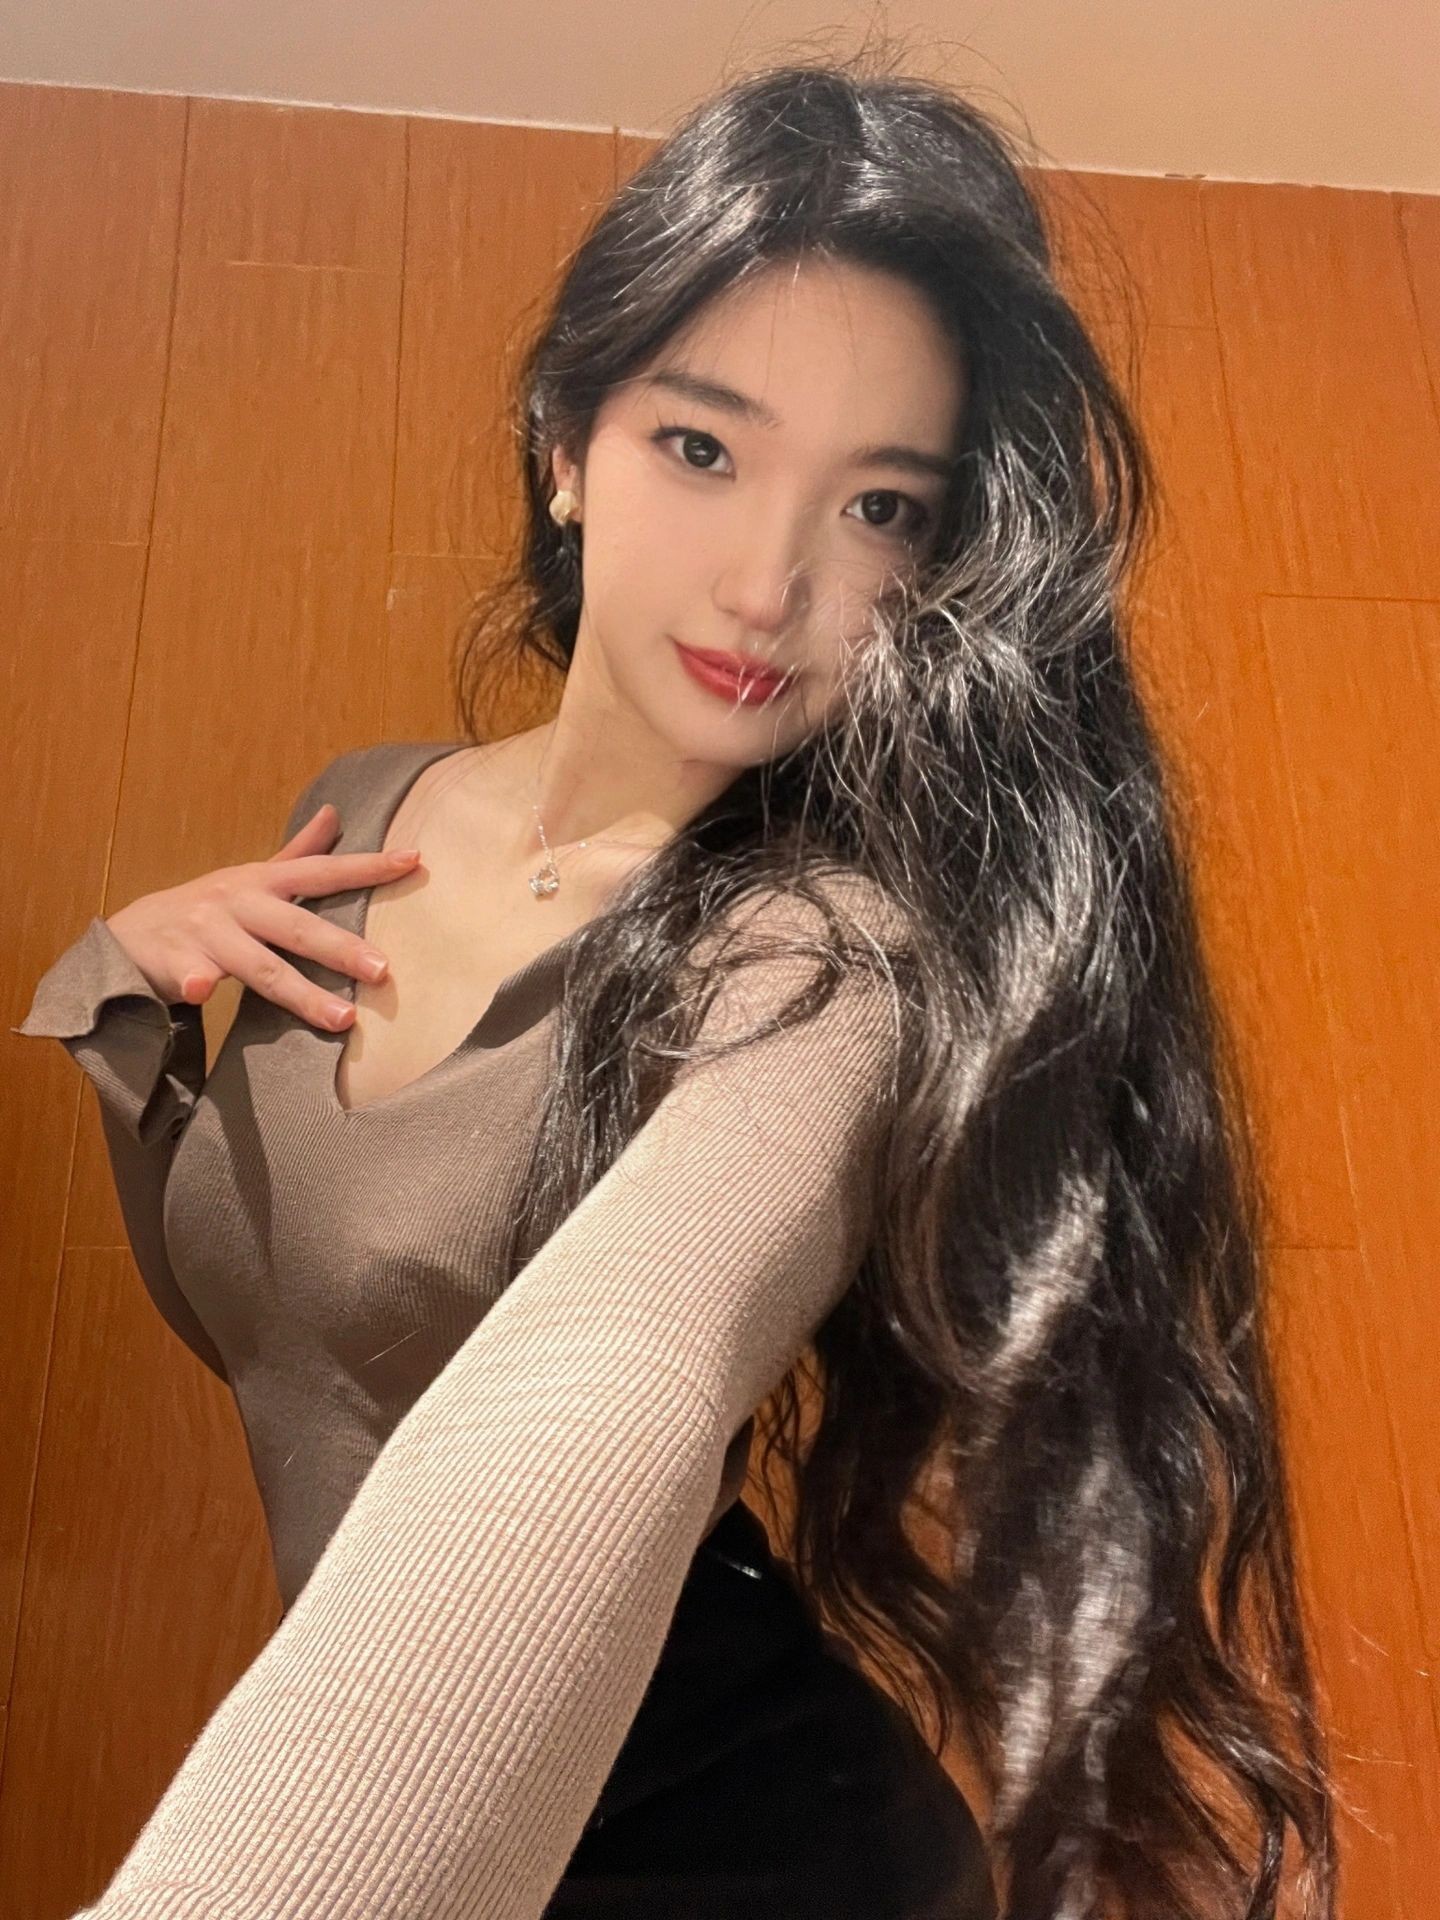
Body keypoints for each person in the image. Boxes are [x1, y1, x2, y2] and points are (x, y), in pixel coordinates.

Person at [12, 52, 1336, 1920]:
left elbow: (609, 1386)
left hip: (739, 1851)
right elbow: (292, 1330)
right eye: (704, 450)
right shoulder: (368, 807)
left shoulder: (826, 962)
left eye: (881, 509)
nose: (770, 583)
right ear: (567, 443)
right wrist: (129, 980)